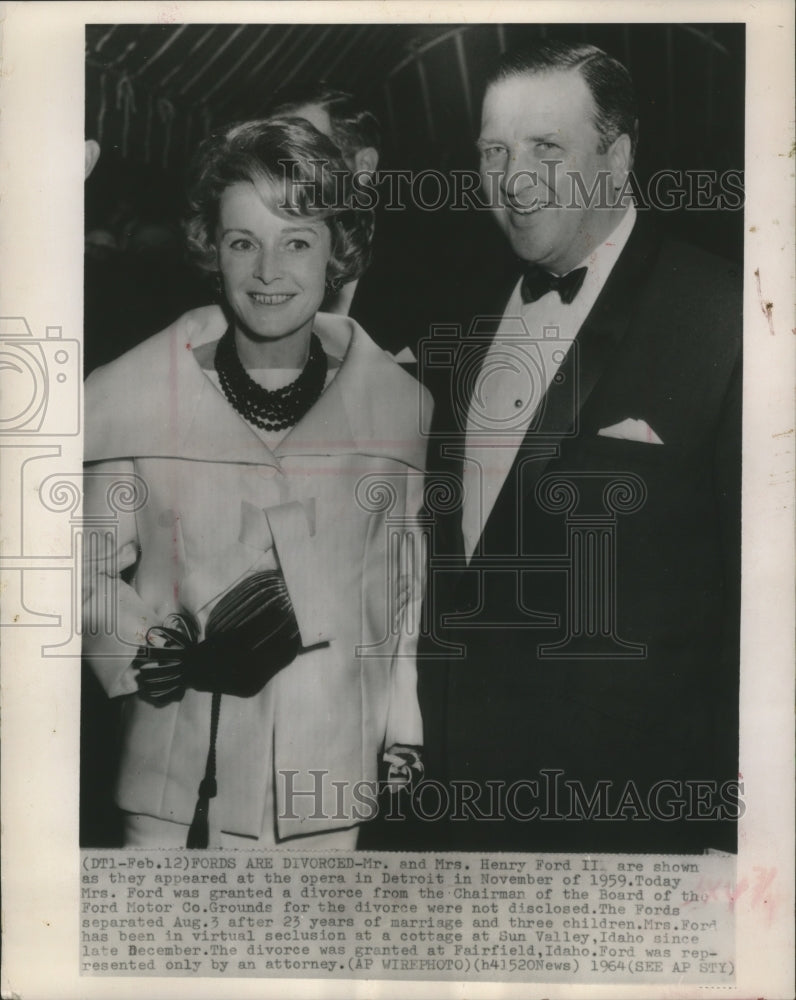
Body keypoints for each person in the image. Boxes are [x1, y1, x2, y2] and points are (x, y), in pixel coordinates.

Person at [415, 41, 741, 853]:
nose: (514, 179)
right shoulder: (454, 315)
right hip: (453, 805)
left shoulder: (727, 317)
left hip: (628, 818)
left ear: (617, 158)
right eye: (494, 151)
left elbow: (763, 612)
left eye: (546, 148)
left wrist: (735, 836)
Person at [82, 117, 431, 849]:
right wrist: (148, 647)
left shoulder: (398, 406)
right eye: (244, 242)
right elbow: (78, 570)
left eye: (296, 242)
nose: (268, 271)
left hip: (326, 783)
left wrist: (402, 730)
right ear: (212, 248)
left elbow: (398, 591)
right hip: (174, 784)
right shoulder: (132, 392)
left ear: (337, 251)